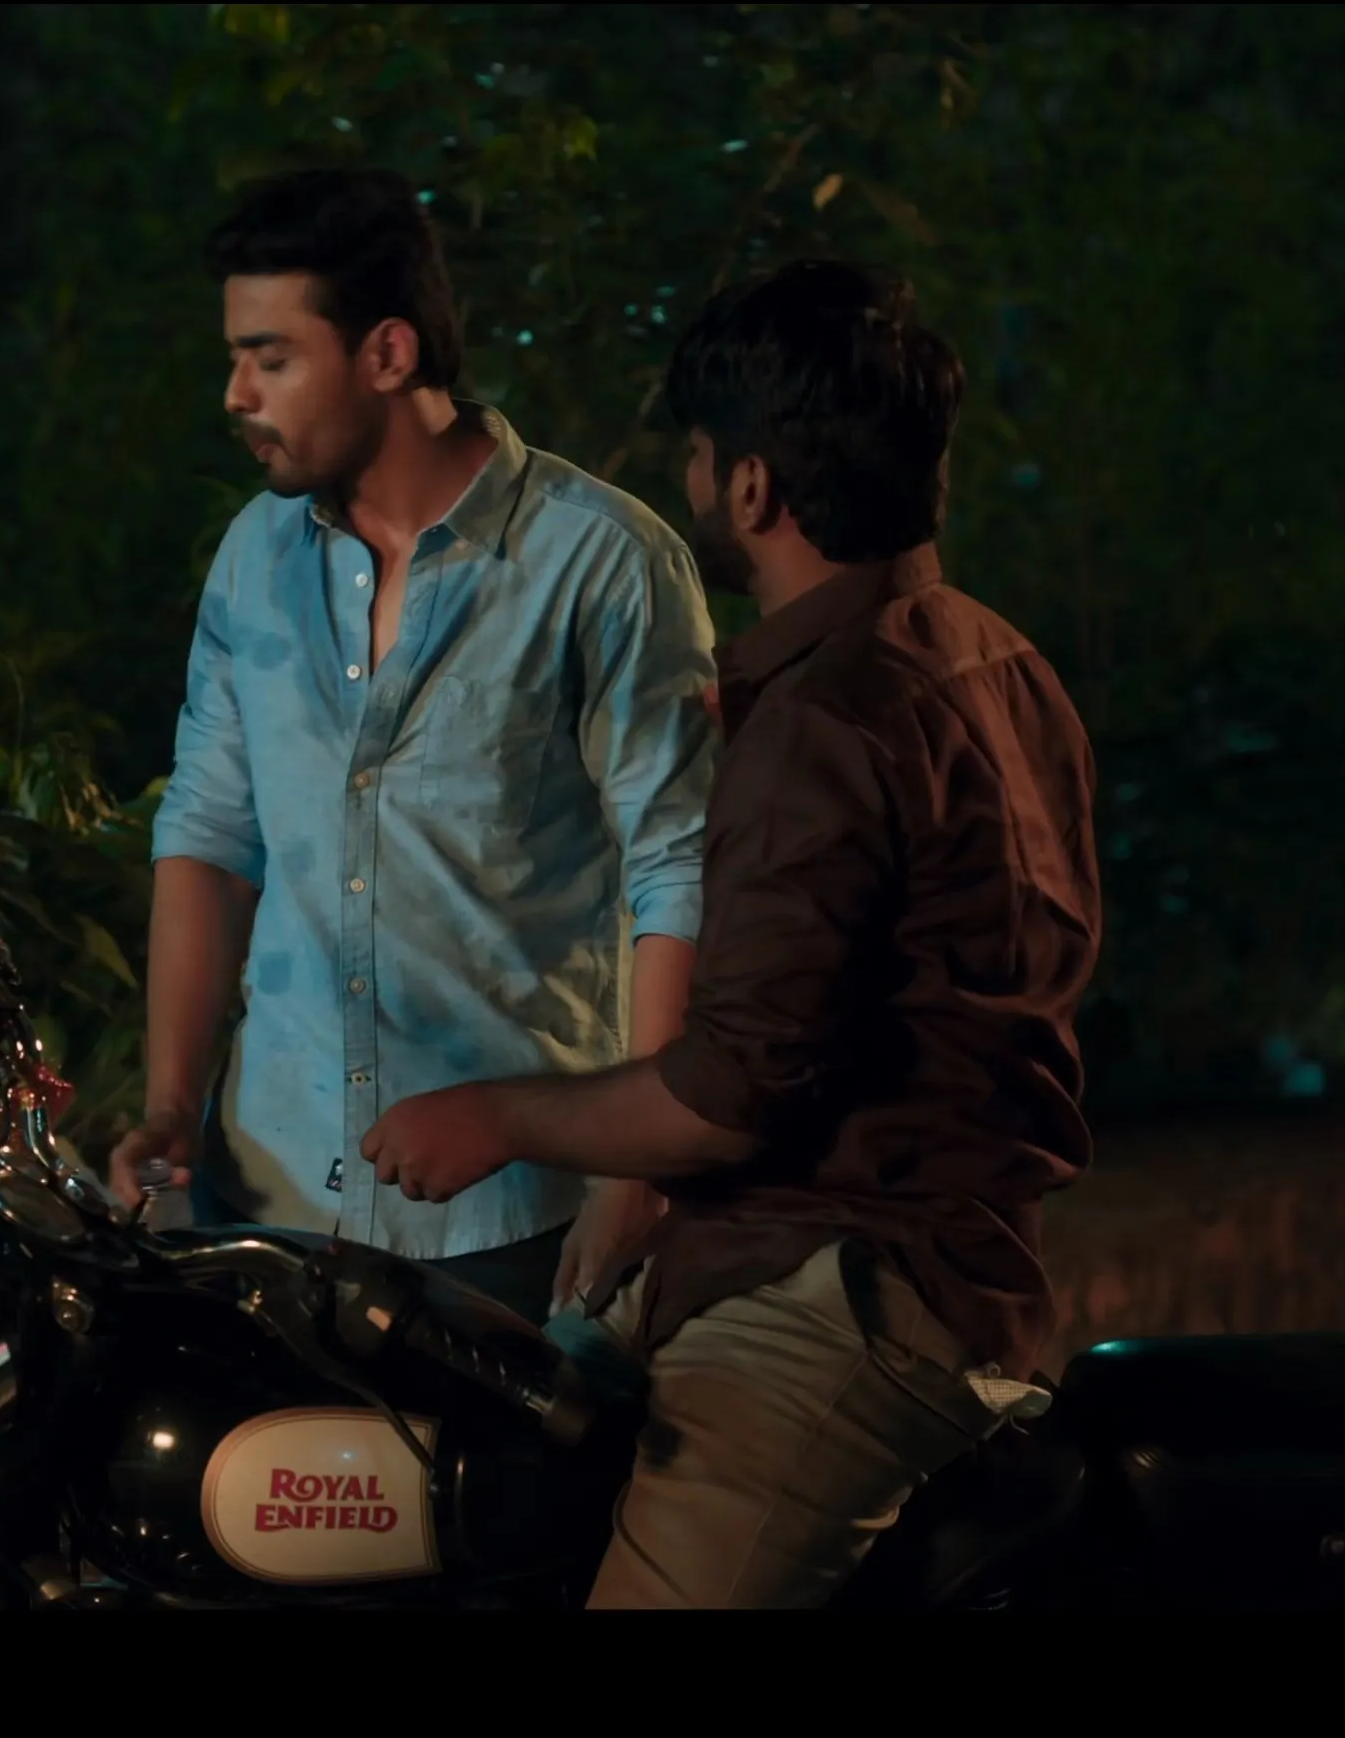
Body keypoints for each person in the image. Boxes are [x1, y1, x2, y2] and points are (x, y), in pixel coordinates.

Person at [358, 257, 1102, 1609]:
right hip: (883, 1259)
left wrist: (496, 1116)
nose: (692, 479)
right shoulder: (992, 659)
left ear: (752, 487)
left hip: (844, 1297)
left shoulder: (831, 720)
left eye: (701, 454)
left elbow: (727, 1098)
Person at [108, 169, 719, 1324]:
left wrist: (636, 1173)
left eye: (271, 359)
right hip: (267, 1185)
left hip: (510, 1211)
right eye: (236, 359)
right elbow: (210, 832)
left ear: (387, 354)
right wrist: (170, 1108)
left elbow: (675, 871)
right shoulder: (255, 559)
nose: (236, 394)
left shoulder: (601, 563)